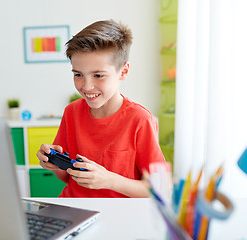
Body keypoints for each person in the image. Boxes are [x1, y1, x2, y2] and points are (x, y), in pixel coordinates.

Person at [36, 19, 166, 198]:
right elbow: (66, 177)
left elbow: (159, 190)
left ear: (124, 71)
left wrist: (109, 180)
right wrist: (53, 162)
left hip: (117, 215)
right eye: (78, 75)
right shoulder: (71, 112)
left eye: (98, 75)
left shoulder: (140, 119)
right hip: (74, 207)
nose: (87, 86)